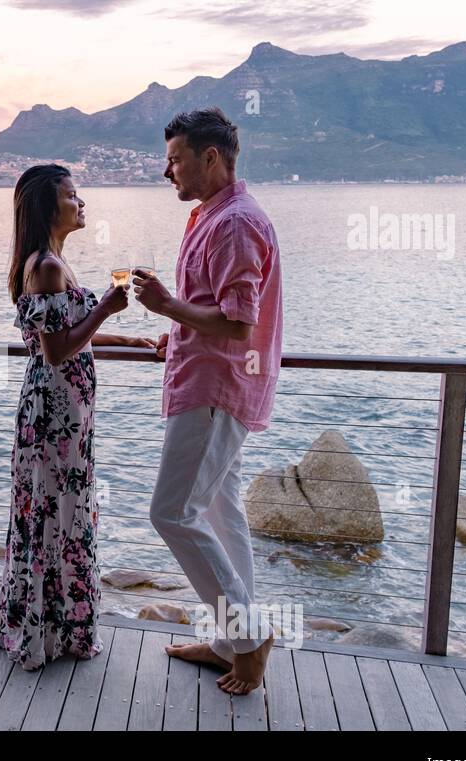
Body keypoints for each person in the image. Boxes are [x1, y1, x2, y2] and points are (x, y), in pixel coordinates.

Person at [133, 108, 284, 694]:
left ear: (211, 158)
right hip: (206, 377)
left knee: (170, 513)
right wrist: (178, 327)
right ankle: (229, 641)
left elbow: (239, 323)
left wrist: (170, 308)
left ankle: (248, 637)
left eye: (175, 159)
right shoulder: (211, 217)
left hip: (217, 388)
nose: (167, 171)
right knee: (222, 510)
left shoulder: (235, 224)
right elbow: (214, 306)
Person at [0, 163, 155, 671]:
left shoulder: (53, 263)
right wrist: (106, 310)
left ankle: (52, 624)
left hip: (66, 414)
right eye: (73, 195)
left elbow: (70, 328)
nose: (82, 204)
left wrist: (126, 337)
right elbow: (57, 348)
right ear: (50, 205)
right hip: (55, 414)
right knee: (56, 512)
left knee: (56, 510)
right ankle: (51, 631)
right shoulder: (45, 266)